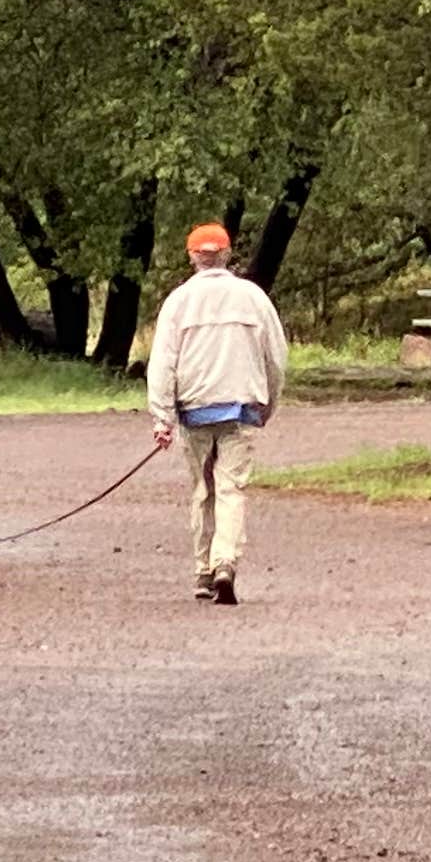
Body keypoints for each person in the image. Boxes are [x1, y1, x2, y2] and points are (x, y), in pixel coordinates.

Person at [147, 221, 287, 604]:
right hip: (242, 409)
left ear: (192, 256)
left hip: (194, 411)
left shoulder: (178, 301)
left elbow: (163, 363)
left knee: (202, 490)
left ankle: (203, 571)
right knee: (231, 488)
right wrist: (268, 404)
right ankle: (225, 561)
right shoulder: (253, 298)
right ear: (227, 255)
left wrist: (162, 418)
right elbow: (276, 357)